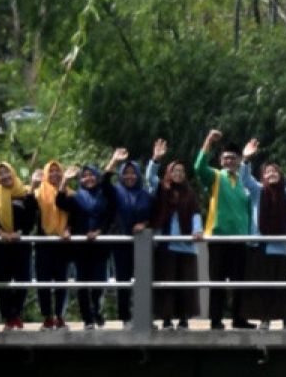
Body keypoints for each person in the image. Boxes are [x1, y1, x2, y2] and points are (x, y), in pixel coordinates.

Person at [195, 130, 254, 330]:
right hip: (219, 237)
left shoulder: (243, 183)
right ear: (221, 161)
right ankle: (216, 319)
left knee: (240, 282)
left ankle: (239, 318)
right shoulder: (216, 177)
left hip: (239, 239)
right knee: (217, 281)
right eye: (226, 158)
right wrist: (208, 141)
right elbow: (198, 167)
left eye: (233, 158)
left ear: (238, 161)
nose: (229, 161)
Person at [238, 139, 286, 330]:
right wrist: (245, 159)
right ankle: (265, 318)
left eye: (275, 171)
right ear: (263, 176)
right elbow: (244, 179)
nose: (272, 174)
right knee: (264, 285)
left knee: (283, 285)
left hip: (281, 247)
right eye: (268, 172)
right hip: (261, 246)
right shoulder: (258, 191)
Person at [57, 158, 119, 329]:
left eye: (92, 175)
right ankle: (88, 319)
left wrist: (100, 231)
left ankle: (96, 310)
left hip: (100, 246)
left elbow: (110, 216)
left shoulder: (106, 195)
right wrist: (65, 180)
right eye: (84, 176)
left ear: (97, 177)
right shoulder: (76, 197)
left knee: (99, 282)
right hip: (80, 247)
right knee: (82, 284)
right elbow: (60, 202)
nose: (88, 178)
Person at [149, 152, 203, 329]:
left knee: (185, 285)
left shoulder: (190, 194)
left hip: (186, 247)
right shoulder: (163, 189)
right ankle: (166, 319)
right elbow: (150, 177)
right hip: (166, 245)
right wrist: (156, 160)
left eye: (181, 171)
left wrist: (197, 230)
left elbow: (196, 213)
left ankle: (183, 318)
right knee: (166, 283)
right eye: (174, 171)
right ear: (169, 173)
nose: (178, 174)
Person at [0, 162, 37, 330]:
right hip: (1, 245)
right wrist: (1, 233)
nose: (5, 176)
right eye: (1, 174)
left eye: (7, 173)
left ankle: (16, 314)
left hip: (21, 243)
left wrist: (20, 233)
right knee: (3, 283)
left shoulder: (25, 193)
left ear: (13, 172)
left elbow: (31, 216)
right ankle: (9, 317)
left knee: (23, 280)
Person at [107, 150, 153, 327]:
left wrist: (144, 224)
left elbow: (154, 214)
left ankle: (144, 317)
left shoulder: (145, 194)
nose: (129, 176)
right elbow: (104, 182)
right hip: (121, 242)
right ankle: (125, 318)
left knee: (143, 280)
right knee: (123, 281)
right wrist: (114, 161)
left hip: (141, 243)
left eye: (133, 173)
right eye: (125, 173)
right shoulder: (116, 192)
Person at [33, 160, 72, 330]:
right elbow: (30, 211)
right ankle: (48, 317)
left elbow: (75, 216)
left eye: (58, 171)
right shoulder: (37, 193)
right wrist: (32, 184)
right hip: (44, 242)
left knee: (62, 281)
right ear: (46, 174)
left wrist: (69, 229)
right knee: (44, 282)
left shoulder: (71, 193)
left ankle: (60, 315)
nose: (55, 174)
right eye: (51, 171)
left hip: (63, 243)